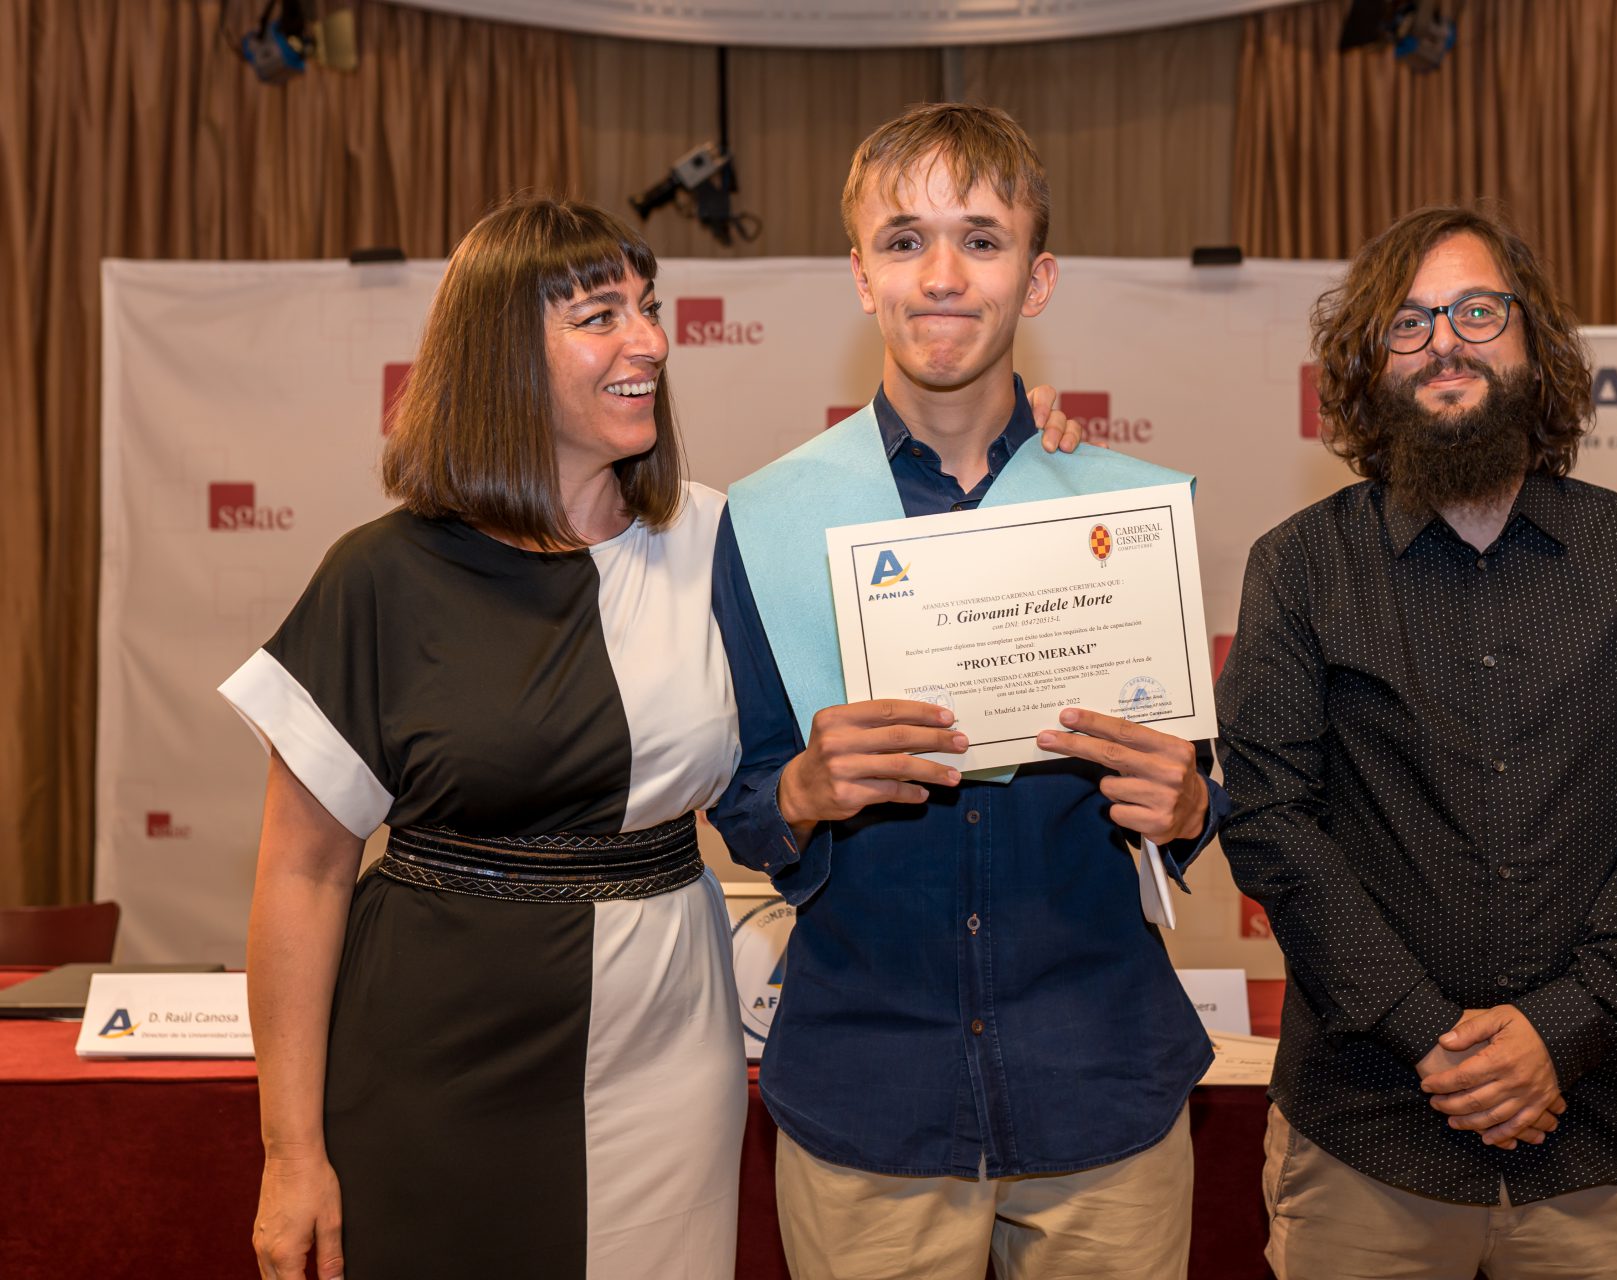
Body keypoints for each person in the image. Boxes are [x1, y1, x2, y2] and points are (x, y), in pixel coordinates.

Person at [219, 194, 1087, 1280]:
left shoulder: (727, 537)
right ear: (498, 353)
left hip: (668, 1054)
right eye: (598, 315)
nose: (650, 342)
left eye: (650, 306)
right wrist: (290, 1150)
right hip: (426, 1059)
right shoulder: (379, 576)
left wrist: (1026, 446)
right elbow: (300, 875)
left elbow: (933, 577)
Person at [708, 103, 1225, 1280]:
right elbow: (741, 797)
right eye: (904, 240)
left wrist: (1194, 806)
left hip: (1102, 1089)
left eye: (981, 240)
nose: (941, 275)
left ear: (1036, 279)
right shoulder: (771, 517)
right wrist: (797, 788)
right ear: (859, 273)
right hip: (868, 1097)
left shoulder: (1119, 508)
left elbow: (1204, 782)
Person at [1216, 205, 1617, 1279]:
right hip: (1365, 1140)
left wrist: (1560, 1029)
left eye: (1475, 310)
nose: (1444, 340)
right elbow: (1270, 821)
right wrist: (1434, 1036)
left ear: (1532, 344)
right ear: (1369, 365)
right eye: (1407, 323)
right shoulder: (1301, 565)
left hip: (1596, 1141)